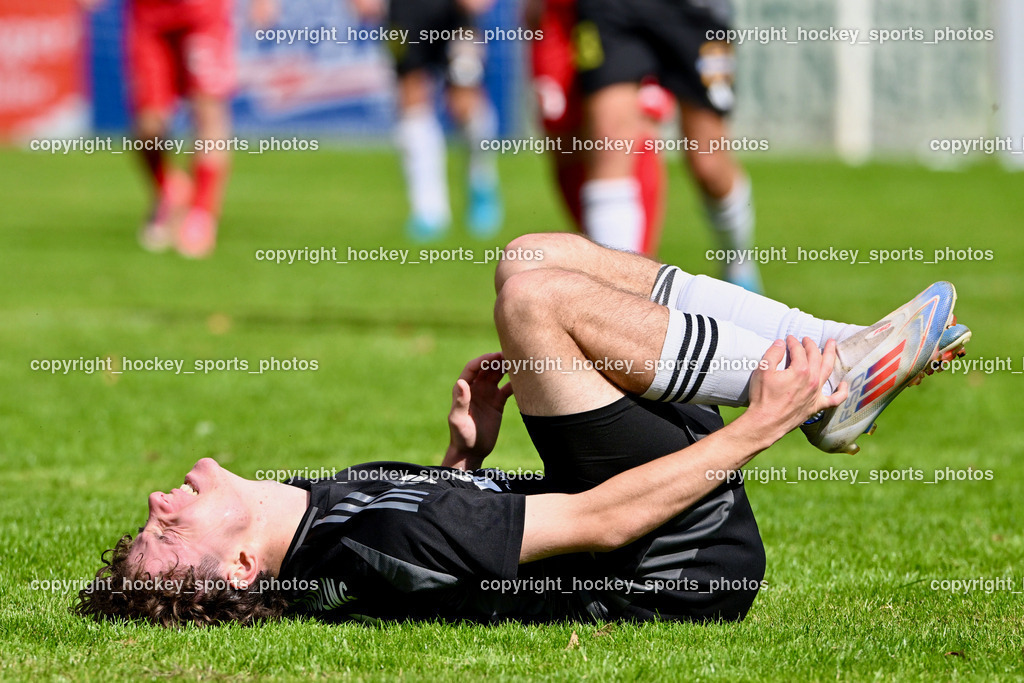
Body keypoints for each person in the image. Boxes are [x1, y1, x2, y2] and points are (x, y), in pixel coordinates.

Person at [74, 233, 969, 626]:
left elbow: (431, 544)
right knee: (534, 302)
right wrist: (763, 424)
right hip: (678, 554)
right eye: (167, 527)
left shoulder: (323, 525)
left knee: (532, 258)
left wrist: (463, 456)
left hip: (638, 520)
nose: (159, 498)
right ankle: (829, 384)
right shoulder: (370, 536)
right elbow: (598, 527)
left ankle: (840, 351)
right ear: (237, 567)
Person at [571, 0, 763, 290]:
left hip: (693, 11)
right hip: (611, 10)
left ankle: (737, 258)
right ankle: (621, 293)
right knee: (611, 143)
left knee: (709, 164)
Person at [80, 0, 276, 258]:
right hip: (149, 18)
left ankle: (202, 211)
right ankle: (169, 190)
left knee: (207, 108)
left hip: (203, 14)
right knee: (147, 126)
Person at [528, 0, 670, 256]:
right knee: (563, 139)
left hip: (616, 14)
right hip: (557, 18)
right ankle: (605, 255)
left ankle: (636, 266)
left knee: (621, 132)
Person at [352, 0, 503, 241]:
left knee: (466, 102)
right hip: (404, 11)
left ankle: (481, 182)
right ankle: (429, 211)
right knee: (411, 99)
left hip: (455, 11)